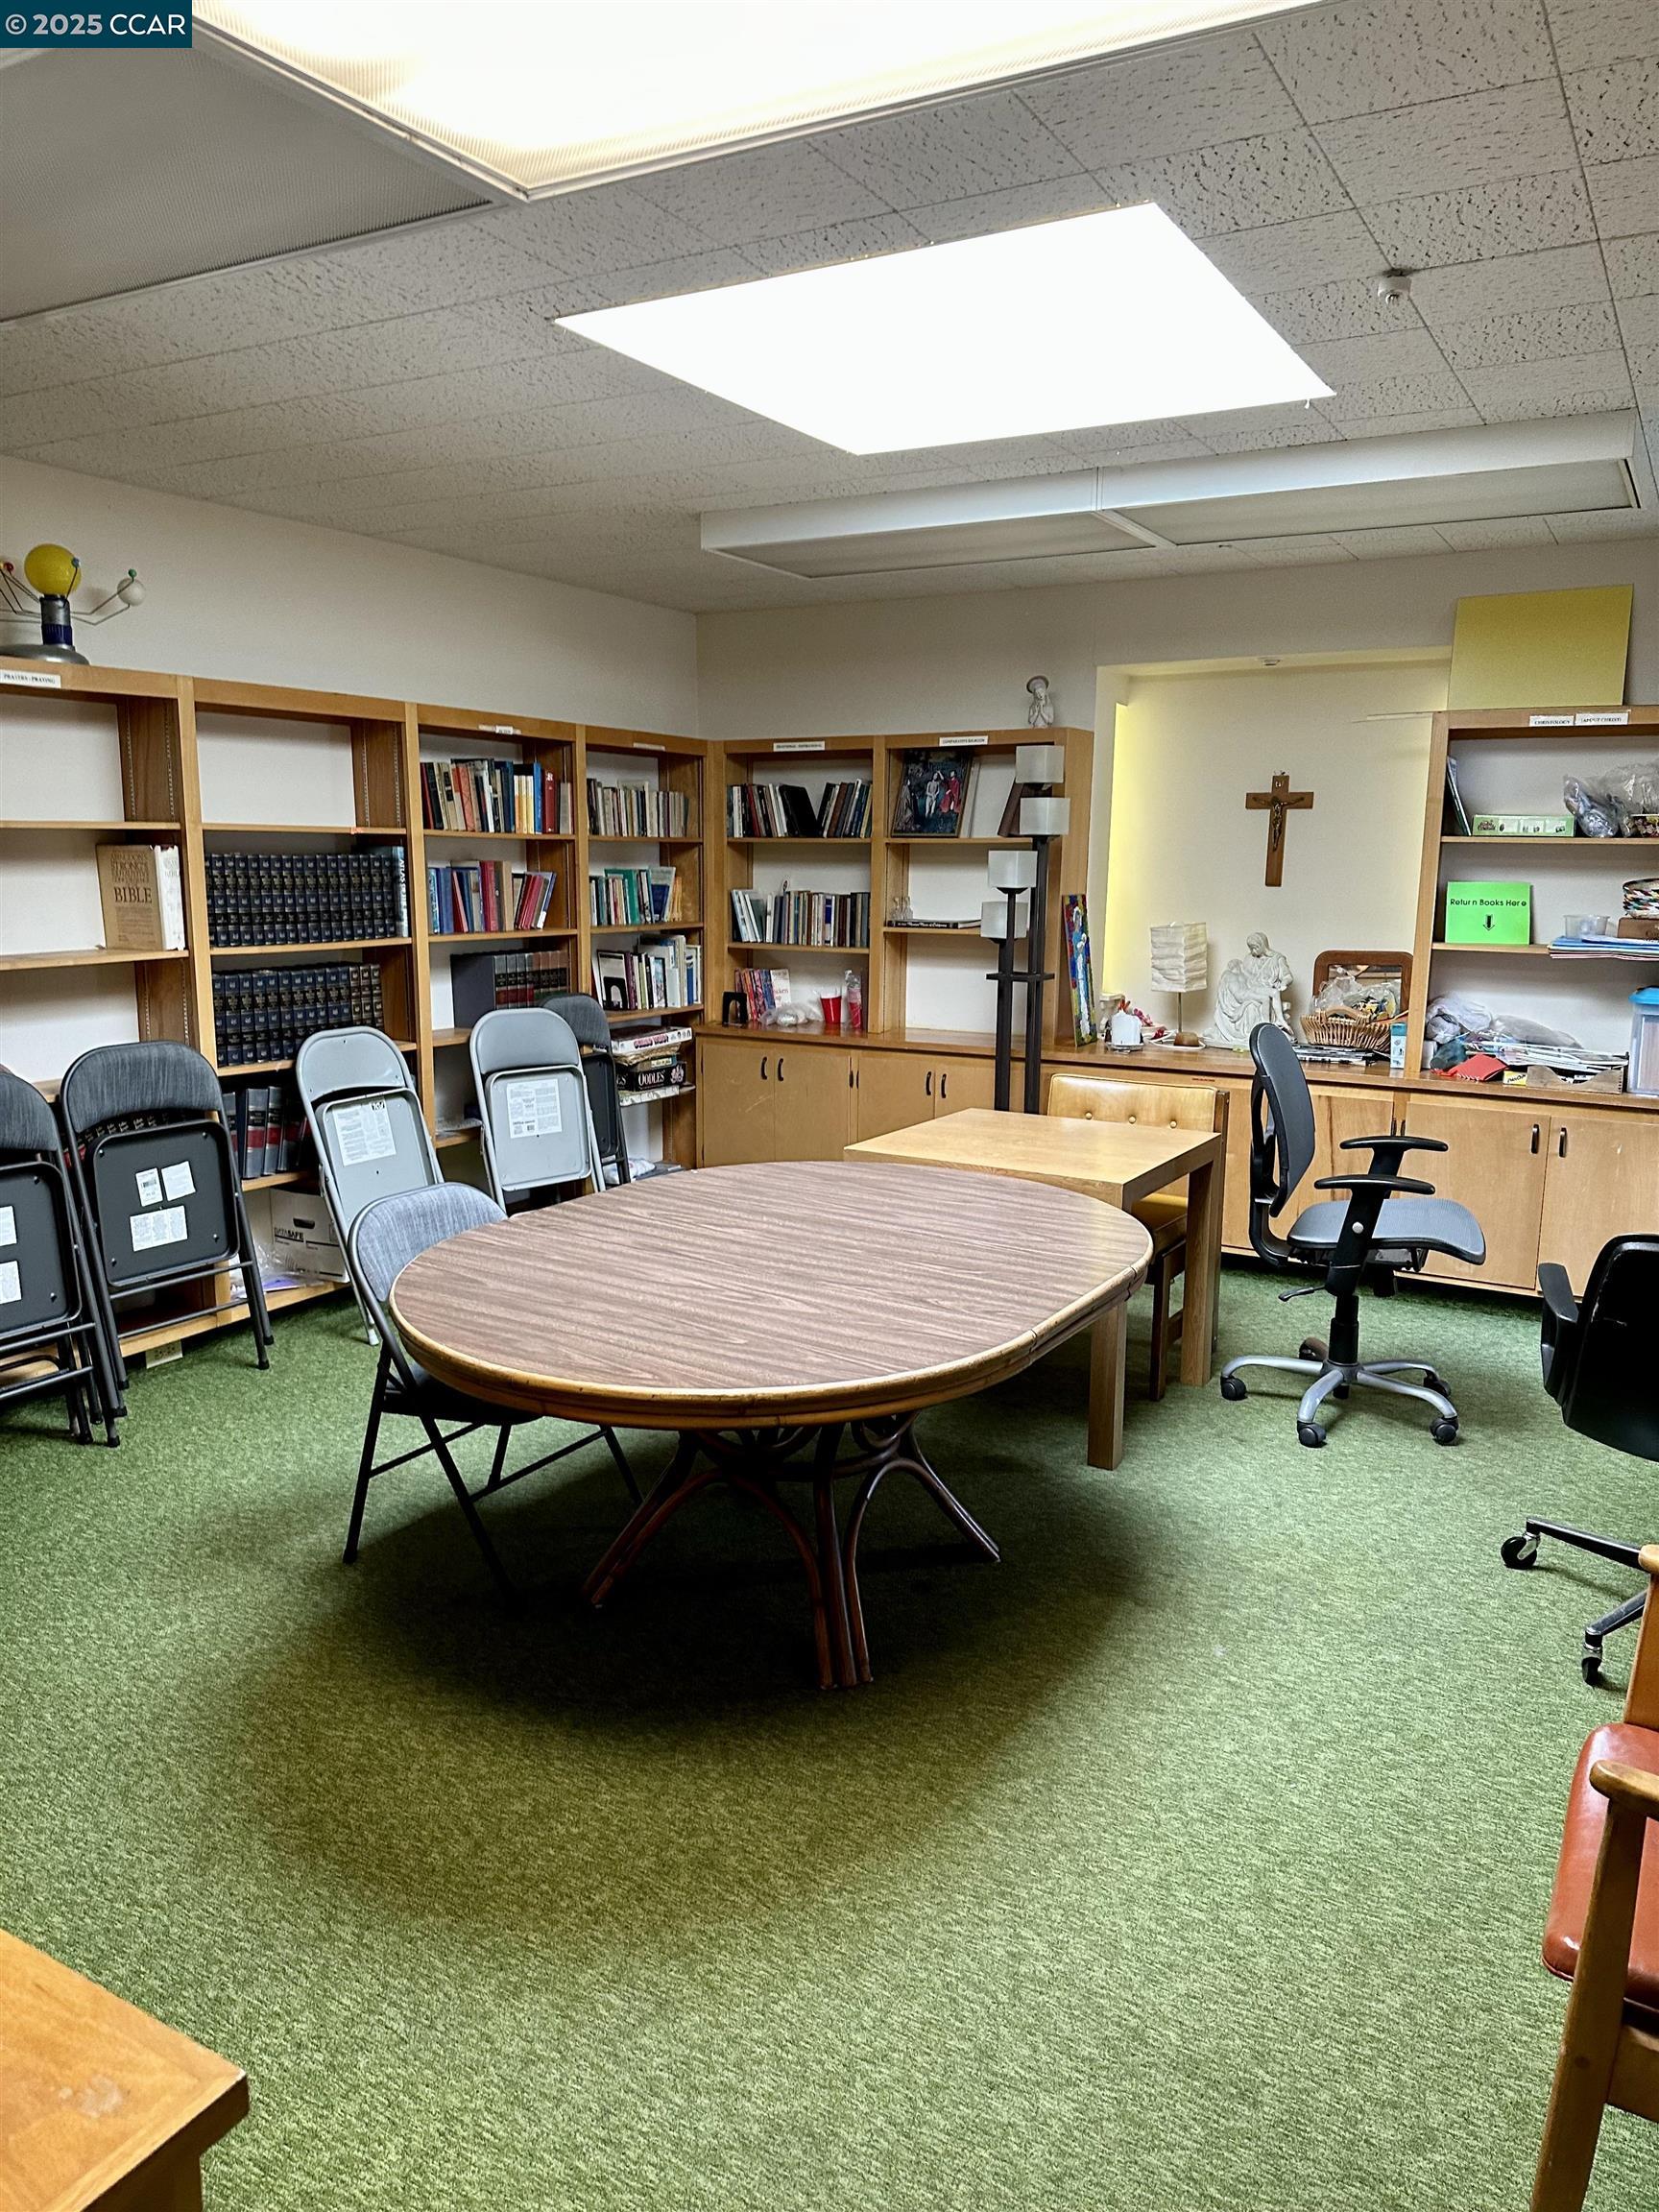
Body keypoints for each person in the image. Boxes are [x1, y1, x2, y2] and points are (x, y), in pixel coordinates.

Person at [1206, 931, 1292, 1047]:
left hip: (1265, 988)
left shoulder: (1277, 959)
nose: (1253, 951)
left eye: (1255, 947)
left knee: (1273, 993)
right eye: (1251, 948)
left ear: (1263, 945)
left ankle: (1277, 1023)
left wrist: (1284, 984)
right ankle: (1263, 1029)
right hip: (1251, 989)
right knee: (1256, 1002)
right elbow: (1241, 977)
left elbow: (1287, 976)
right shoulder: (1248, 959)